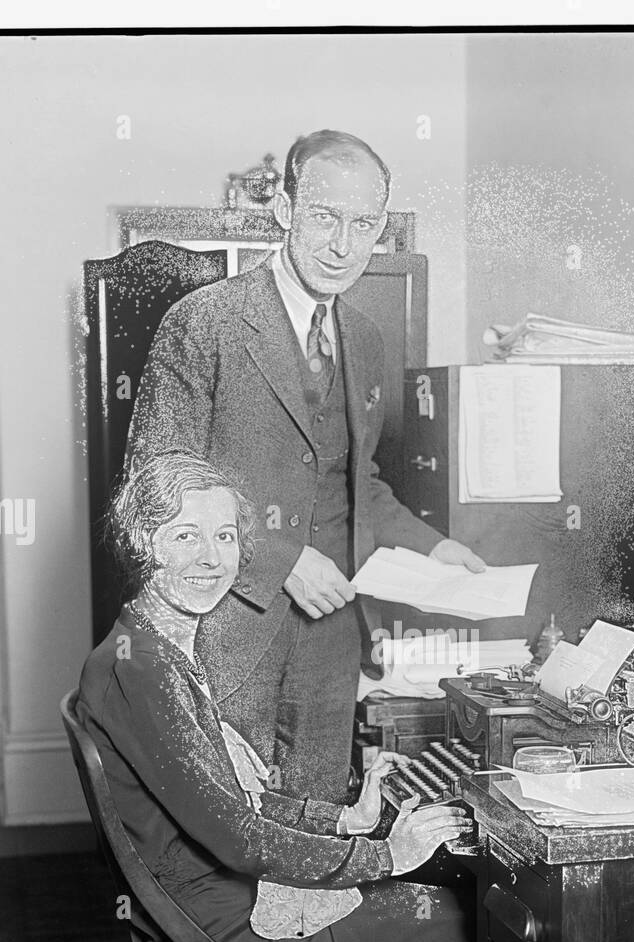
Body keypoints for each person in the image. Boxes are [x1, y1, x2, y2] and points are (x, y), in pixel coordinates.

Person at [76, 450, 473, 942]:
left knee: (428, 918)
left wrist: (341, 818)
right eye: (185, 535)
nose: (211, 558)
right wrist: (385, 852)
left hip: (196, 895)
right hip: (210, 924)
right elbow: (239, 838)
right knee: (435, 923)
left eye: (225, 537)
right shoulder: (145, 669)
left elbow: (238, 793)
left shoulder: (152, 642)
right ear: (143, 541)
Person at [124, 129, 485, 803]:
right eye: (324, 217)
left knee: (316, 820)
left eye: (364, 224)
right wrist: (281, 560)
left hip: (329, 640)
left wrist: (436, 548)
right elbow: (154, 495)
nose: (343, 245)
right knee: (229, 830)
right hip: (226, 634)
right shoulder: (202, 323)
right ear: (286, 211)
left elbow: (357, 486)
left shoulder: (367, 340)